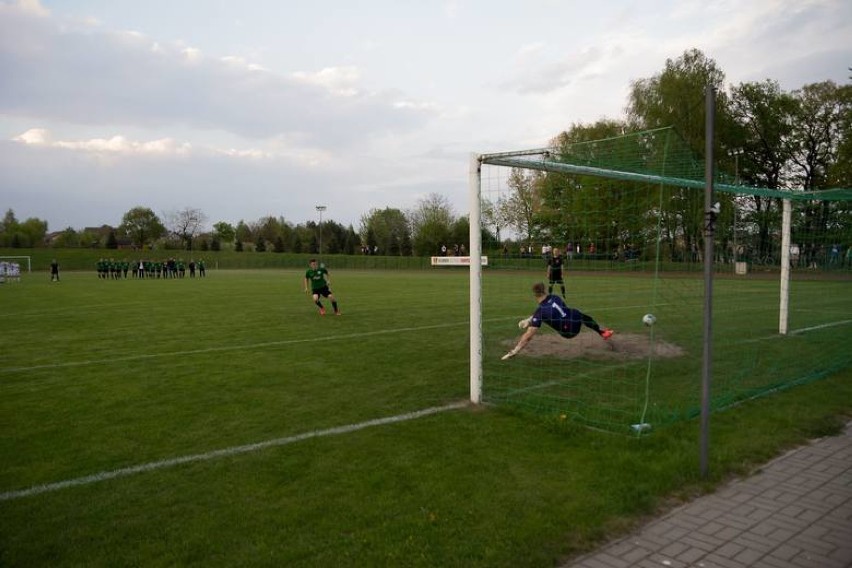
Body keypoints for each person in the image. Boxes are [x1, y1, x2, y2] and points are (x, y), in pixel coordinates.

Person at [502, 282, 612, 360]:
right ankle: (602, 333)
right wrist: (529, 319)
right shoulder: (555, 297)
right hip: (575, 321)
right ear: (544, 290)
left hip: (568, 333)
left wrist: (515, 351)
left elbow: (528, 336)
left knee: (542, 319)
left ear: (535, 295)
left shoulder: (540, 312)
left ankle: (515, 349)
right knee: (578, 313)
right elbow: (553, 309)